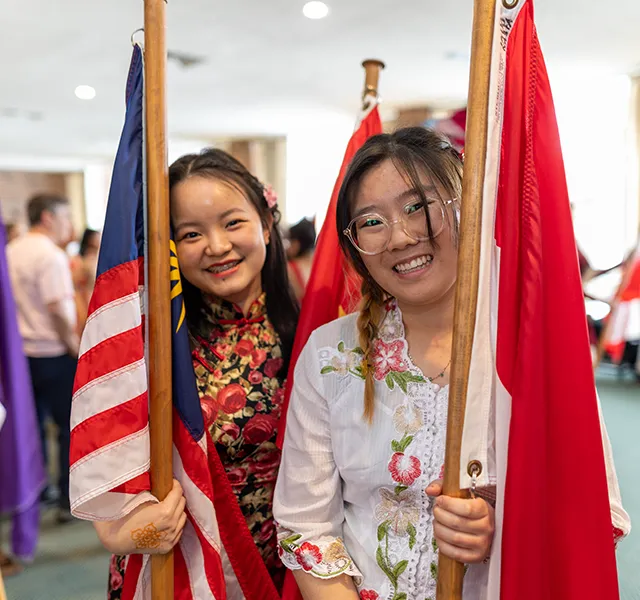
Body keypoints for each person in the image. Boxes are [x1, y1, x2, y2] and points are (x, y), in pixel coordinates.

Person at [273, 128, 630, 599]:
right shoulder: (330, 356)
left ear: (466, 206)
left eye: (417, 206)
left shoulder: (531, 350)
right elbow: (306, 525)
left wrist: (499, 532)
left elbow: (596, 517)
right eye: (371, 222)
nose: (399, 237)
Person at [92, 149, 299, 598]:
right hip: (193, 572)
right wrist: (134, 534)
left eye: (232, 223)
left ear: (265, 222)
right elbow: (110, 491)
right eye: (190, 233)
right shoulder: (153, 347)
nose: (217, 246)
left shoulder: (311, 328)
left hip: (292, 572)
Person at [7, 194, 78, 523]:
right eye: (66, 216)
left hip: (19, 356)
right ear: (48, 217)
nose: (69, 224)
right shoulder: (50, 255)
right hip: (52, 352)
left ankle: (34, 492)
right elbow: (57, 308)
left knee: (29, 428)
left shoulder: (12, 249)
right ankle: (67, 497)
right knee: (68, 428)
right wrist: (73, 343)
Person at [70, 228, 101, 333]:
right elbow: (74, 283)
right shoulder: (77, 260)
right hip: (83, 299)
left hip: (96, 298)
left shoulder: (99, 259)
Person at [286, 217, 316, 301]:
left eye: (291, 241)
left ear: (298, 243)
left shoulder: (290, 269)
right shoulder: (322, 264)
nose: (289, 246)